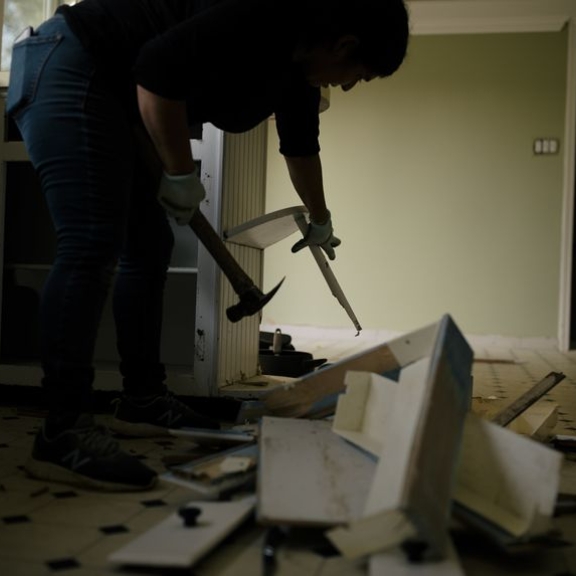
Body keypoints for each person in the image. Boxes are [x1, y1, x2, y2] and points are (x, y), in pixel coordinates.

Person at [6, 0, 409, 491]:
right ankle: (62, 431)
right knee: (91, 242)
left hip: (119, 92)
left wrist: (320, 219)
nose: (346, 86)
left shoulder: (297, 76)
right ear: (344, 44)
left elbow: (301, 147)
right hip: (71, 61)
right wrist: (178, 173)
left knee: (148, 246)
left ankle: (142, 399)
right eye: (358, 74)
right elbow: (156, 74)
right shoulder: (264, 16)